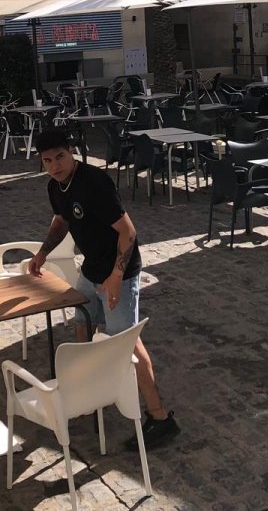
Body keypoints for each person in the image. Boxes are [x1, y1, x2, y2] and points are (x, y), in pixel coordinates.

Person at [29, 128, 180, 450]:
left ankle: (161, 417)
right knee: (82, 324)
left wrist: (115, 276)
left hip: (120, 274)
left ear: (71, 153)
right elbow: (62, 220)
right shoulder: (55, 186)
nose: (55, 165)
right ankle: (87, 390)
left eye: (60, 157)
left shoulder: (95, 182)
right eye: (47, 160)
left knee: (127, 344)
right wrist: (42, 252)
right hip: (91, 270)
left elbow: (128, 232)